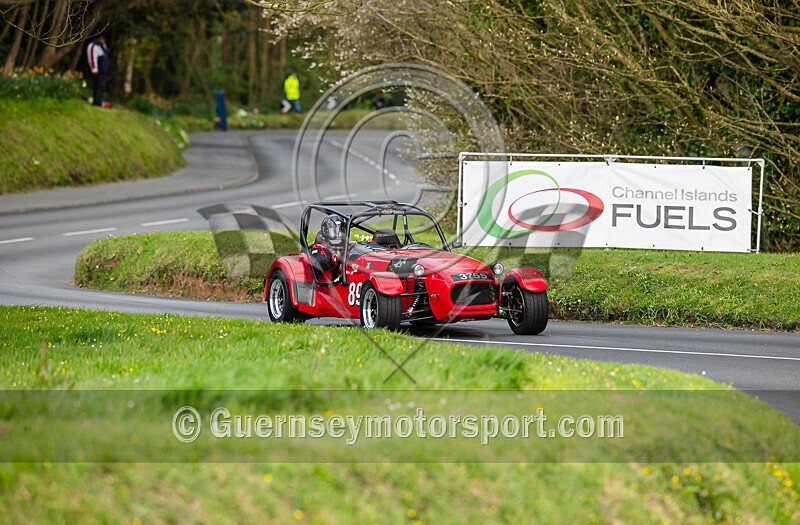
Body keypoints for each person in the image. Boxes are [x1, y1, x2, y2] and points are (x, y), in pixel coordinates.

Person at [309, 214, 345, 282]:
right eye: (334, 232)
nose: (338, 235)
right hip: (331, 283)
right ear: (327, 231)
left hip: (349, 275)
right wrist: (334, 259)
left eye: (340, 232)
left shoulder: (346, 245)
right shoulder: (318, 247)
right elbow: (319, 263)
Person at [86, 35, 110, 107]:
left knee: (102, 87)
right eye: (102, 38)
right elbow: (92, 59)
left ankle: (99, 102)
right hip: (98, 71)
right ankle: (96, 102)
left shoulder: (102, 46)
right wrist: (94, 70)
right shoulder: (93, 46)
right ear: (98, 38)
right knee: (98, 87)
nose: (103, 40)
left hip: (103, 72)